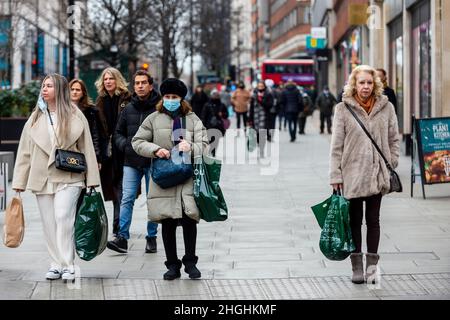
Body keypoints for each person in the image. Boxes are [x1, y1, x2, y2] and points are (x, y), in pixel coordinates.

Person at [12, 74, 100, 282]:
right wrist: (18, 184)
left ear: (59, 89)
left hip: (70, 175)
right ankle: (55, 263)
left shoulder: (75, 115)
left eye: (49, 86)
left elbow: (87, 148)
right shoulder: (35, 118)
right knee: (49, 222)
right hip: (42, 176)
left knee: (63, 217)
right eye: (43, 85)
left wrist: (92, 180)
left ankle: (68, 263)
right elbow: (25, 152)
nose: (44, 89)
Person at [132, 78, 209, 280]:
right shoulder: (153, 119)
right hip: (164, 177)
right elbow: (138, 141)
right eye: (167, 97)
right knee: (167, 222)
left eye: (174, 97)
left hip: (186, 177)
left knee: (189, 219)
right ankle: (172, 265)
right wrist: (155, 150)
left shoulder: (192, 119)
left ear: (181, 99)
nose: (170, 100)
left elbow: (205, 144)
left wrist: (191, 147)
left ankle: (191, 263)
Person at [329, 65, 400, 284]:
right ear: (354, 84)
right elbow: (336, 145)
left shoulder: (386, 108)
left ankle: (371, 268)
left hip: (377, 173)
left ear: (375, 84)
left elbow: (394, 138)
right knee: (354, 221)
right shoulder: (342, 109)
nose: (366, 87)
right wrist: (335, 175)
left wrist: (391, 160)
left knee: (373, 220)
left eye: (370, 82)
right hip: (352, 173)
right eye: (362, 82)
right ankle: (356, 267)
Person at [107, 70, 161, 254]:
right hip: (131, 161)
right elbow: (118, 134)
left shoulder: (159, 108)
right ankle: (122, 237)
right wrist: (127, 146)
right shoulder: (128, 108)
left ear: (150, 85)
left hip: (153, 161)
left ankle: (151, 237)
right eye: (137, 83)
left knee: (152, 200)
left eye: (143, 83)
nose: (140, 86)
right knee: (126, 198)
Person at [95, 67, 131, 236]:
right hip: (108, 153)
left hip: (123, 150)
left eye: (111, 78)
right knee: (114, 190)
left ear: (117, 80)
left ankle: (119, 227)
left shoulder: (126, 99)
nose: (108, 81)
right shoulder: (100, 101)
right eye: (105, 79)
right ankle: (118, 225)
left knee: (122, 190)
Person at [69, 79, 102, 166]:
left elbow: (96, 135)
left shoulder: (91, 111)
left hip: (86, 150)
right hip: (67, 152)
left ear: (83, 93)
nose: (74, 92)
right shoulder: (62, 110)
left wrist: (97, 157)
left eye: (78, 90)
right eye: (72, 89)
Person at [248, 81, 273, 158]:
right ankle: (259, 146)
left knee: (262, 134)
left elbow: (269, 105)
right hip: (255, 117)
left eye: (262, 86)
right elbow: (251, 108)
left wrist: (260, 101)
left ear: (264, 87)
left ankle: (261, 150)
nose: (260, 88)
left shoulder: (268, 94)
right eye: (259, 86)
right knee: (257, 134)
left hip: (264, 117)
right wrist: (249, 119)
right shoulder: (253, 96)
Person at [201, 89, 229, 157]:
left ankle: (213, 152)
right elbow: (203, 115)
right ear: (211, 96)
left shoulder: (222, 105)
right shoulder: (207, 105)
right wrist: (203, 125)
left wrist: (222, 114)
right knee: (209, 140)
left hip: (218, 125)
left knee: (216, 140)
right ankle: (210, 150)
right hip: (209, 125)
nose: (216, 96)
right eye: (214, 95)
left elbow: (226, 115)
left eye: (217, 95)